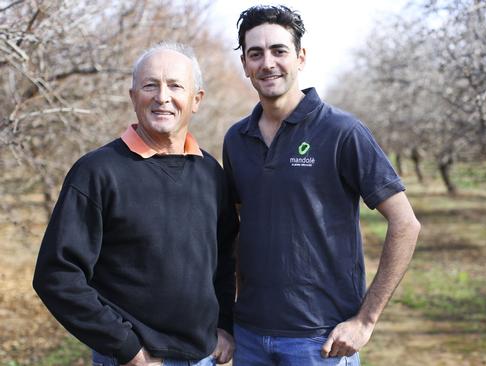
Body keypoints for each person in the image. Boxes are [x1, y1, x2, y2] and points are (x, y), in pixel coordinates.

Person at [222, 5, 421, 365]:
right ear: (245, 65)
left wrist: (365, 320)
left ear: (300, 57)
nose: (267, 63)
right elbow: (237, 230)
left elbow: (406, 223)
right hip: (250, 336)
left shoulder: (342, 132)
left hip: (320, 341)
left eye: (279, 50)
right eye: (256, 53)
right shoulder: (236, 139)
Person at [33, 42, 238, 366]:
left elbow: (225, 261)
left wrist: (225, 325)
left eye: (175, 86)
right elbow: (56, 275)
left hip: (203, 358)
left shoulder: (211, 173)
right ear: (133, 97)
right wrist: (124, 346)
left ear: (196, 100)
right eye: (150, 85)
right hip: (132, 360)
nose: (162, 97)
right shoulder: (97, 172)